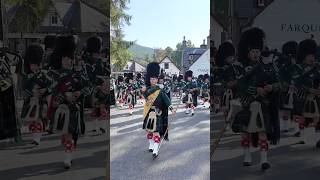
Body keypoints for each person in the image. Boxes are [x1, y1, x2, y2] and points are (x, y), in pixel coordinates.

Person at [234, 27, 280, 171]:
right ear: (247, 53)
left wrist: (272, 87)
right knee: (246, 132)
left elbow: (279, 82)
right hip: (246, 104)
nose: (255, 54)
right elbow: (239, 84)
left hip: (263, 105)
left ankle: (264, 160)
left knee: (262, 132)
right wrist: (255, 90)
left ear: (261, 52)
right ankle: (247, 156)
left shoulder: (267, 67)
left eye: (257, 51)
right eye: (253, 51)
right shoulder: (240, 68)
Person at [142, 62, 176, 158]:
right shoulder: (146, 89)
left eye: (154, 79)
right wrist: (143, 91)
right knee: (149, 131)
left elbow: (167, 100)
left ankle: (156, 149)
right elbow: (146, 98)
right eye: (151, 79)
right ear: (149, 79)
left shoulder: (160, 90)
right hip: (148, 112)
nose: (153, 80)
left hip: (157, 113)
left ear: (157, 80)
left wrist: (172, 109)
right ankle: (151, 145)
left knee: (156, 132)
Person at [21, 44, 51, 145]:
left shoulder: (44, 74)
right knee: (32, 121)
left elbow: (51, 86)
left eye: (34, 64)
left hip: (41, 101)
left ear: (38, 64)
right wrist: (30, 93)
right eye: (31, 64)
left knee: (38, 119)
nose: (32, 66)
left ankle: (36, 139)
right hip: (30, 101)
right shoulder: (26, 75)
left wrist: (44, 90)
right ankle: (35, 137)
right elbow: (23, 88)